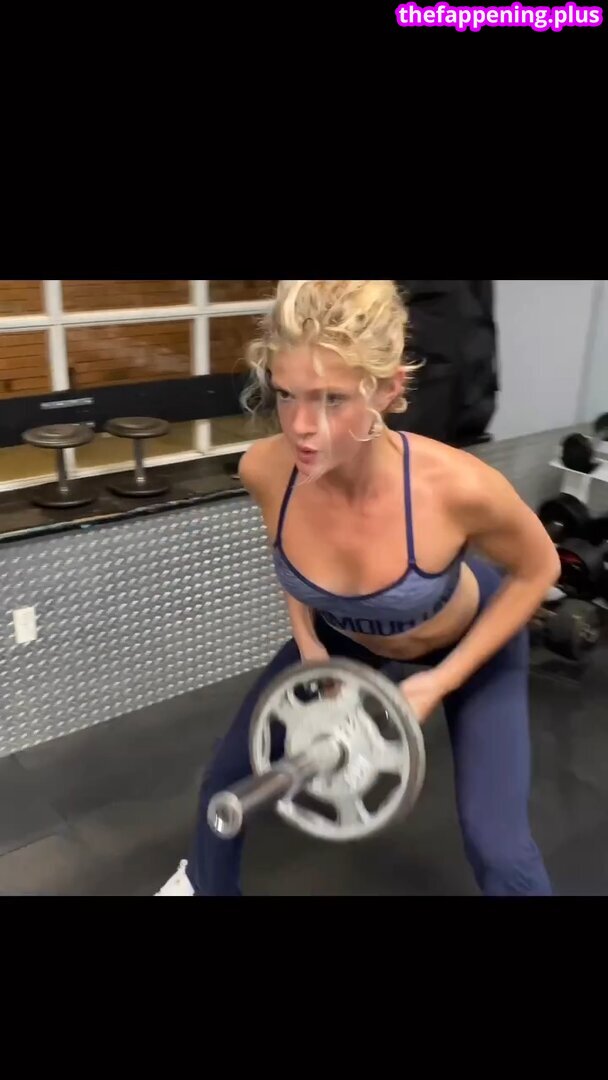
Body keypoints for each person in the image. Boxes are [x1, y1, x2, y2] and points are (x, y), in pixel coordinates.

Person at [157, 280, 559, 898]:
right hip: (345, 636)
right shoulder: (265, 469)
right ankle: (203, 888)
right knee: (225, 782)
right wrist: (309, 647)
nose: (302, 427)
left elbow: (539, 570)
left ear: (388, 390)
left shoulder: (456, 489)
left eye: (332, 399)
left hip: (466, 638)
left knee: (497, 847)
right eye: (286, 394)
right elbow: (292, 559)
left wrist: (441, 681)